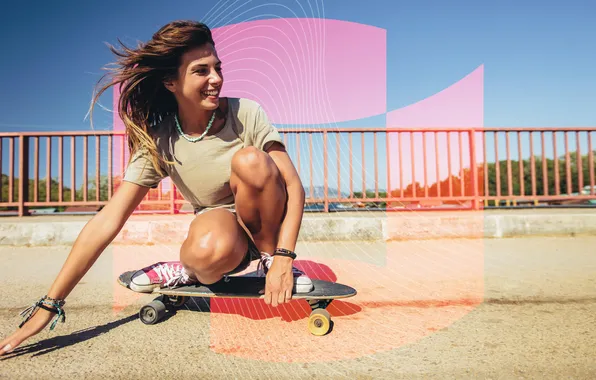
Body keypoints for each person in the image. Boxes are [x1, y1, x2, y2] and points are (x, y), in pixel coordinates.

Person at [0, 20, 312, 356]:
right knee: (208, 249)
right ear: (170, 82)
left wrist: (283, 256)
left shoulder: (245, 113)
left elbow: (292, 185)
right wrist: (51, 302)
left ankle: (266, 259)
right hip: (222, 232)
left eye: (217, 68)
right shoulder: (160, 139)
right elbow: (109, 219)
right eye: (201, 71)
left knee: (250, 159)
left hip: (267, 227)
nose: (216, 79)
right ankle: (189, 270)